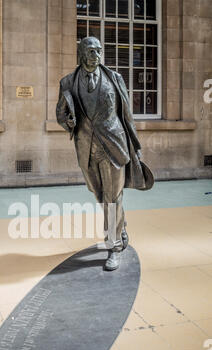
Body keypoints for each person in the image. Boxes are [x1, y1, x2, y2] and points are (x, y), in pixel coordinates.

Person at [56, 36, 153, 271]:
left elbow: (127, 115)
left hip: (114, 145)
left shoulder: (115, 79)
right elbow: (60, 114)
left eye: (99, 50)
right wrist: (68, 121)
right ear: (81, 53)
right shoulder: (68, 82)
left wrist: (136, 147)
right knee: (100, 195)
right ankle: (121, 225)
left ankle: (114, 246)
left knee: (112, 197)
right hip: (86, 147)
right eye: (91, 50)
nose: (96, 54)